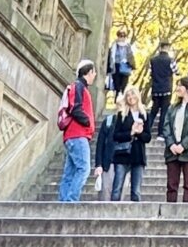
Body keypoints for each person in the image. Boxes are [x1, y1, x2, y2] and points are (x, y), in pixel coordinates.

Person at [56, 57, 97, 203]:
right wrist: (87, 121)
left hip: (72, 135)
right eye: (94, 73)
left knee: (70, 171)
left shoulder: (78, 86)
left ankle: (63, 201)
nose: (94, 76)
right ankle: (71, 200)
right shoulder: (79, 86)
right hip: (78, 134)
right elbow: (75, 107)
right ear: (89, 72)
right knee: (84, 169)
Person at [164, 73, 188, 202]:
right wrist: (171, 144)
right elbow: (166, 127)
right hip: (172, 151)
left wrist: (183, 145)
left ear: (187, 88)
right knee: (171, 185)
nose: (177, 88)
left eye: (180, 85)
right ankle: (169, 213)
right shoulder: (173, 108)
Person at [107, 83, 149, 202]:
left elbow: (148, 137)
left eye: (132, 94)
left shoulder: (144, 114)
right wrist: (130, 132)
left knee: (136, 191)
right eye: (128, 95)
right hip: (122, 154)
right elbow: (115, 135)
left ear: (137, 96)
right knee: (117, 189)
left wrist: (140, 133)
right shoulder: (122, 115)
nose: (131, 97)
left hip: (138, 154)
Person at [147, 37, 176, 137]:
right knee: (164, 111)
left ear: (160, 48)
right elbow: (176, 71)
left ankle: (147, 129)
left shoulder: (153, 60)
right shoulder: (170, 60)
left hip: (155, 88)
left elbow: (150, 73)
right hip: (166, 88)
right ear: (167, 48)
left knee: (153, 110)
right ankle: (160, 133)